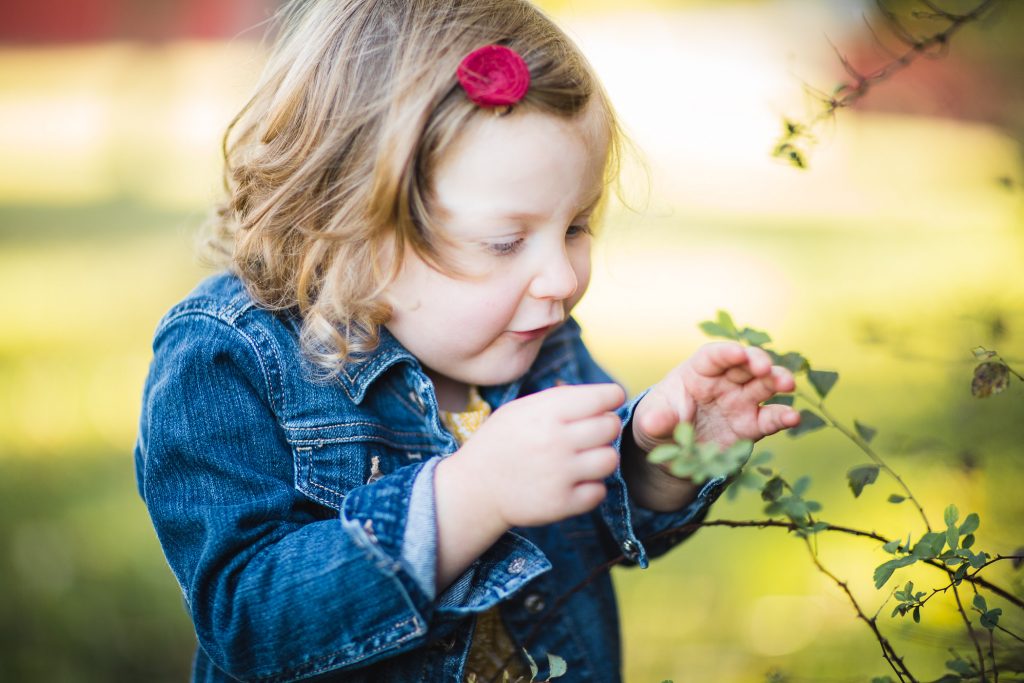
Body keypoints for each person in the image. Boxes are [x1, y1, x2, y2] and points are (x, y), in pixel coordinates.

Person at [134, 1, 801, 681]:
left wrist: (655, 461)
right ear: (350, 224)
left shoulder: (540, 340)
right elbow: (248, 621)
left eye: (576, 226)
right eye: (505, 242)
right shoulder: (231, 357)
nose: (562, 276)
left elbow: (601, 528)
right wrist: (468, 496)